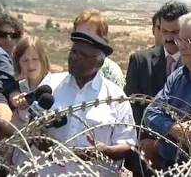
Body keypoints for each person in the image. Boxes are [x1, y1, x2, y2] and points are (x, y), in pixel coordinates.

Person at [40, 31, 136, 176]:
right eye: (73, 51)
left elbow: (127, 144)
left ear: (99, 62)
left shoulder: (115, 97)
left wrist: (104, 151)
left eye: (82, 55)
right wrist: (40, 139)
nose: (73, 57)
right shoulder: (51, 84)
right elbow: (32, 126)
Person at [143, 12, 191, 169]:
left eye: (190, 41)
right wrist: (174, 129)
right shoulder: (177, 77)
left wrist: (161, 140)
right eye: (180, 39)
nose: (182, 46)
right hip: (168, 166)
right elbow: (150, 113)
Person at [124, 1, 189, 125]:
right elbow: (131, 105)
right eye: (165, 31)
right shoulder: (141, 62)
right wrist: (144, 137)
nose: (169, 38)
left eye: (174, 32)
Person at [73, 9, 125, 87]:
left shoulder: (111, 72)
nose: (82, 42)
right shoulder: (73, 65)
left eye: (87, 37)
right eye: (78, 36)